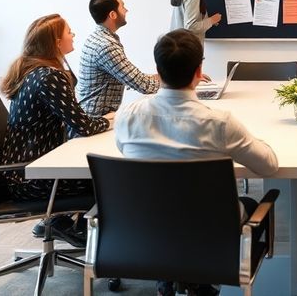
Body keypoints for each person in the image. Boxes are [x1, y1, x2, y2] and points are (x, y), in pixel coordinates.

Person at [115, 29, 278, 296]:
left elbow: (125, 152)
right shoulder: (219, 123)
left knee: (172, 209)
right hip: (211, 230)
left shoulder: (128, 116)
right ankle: (199, 282)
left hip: (146, 224)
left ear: (158, 69)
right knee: (247, 205)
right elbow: (269, 166)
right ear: (199, 71)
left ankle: (173, 277)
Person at [0, 14, 112, 246]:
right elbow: (84, 126)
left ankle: (68, 224)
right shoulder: (50, 76)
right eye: (69, 32)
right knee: (111, 178)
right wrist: (110, 121)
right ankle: (80, 231)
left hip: (22, 172)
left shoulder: (35, 71)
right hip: (31, 179)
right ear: (56, 42)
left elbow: (76, 121)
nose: (73, 35)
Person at [77, 0, 159, 118]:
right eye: (123, 6)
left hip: (93, 116)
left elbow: (136, 77)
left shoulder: (98, 38)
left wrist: (164, 77)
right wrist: (182, 80)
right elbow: (144, 85)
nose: (126, 10)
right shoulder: (106, 46)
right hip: (96, 121)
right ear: (113, 14)